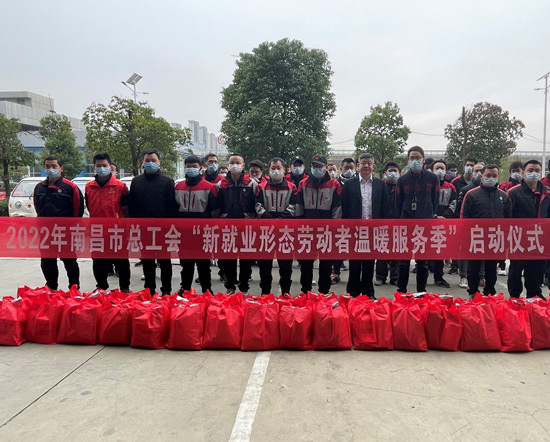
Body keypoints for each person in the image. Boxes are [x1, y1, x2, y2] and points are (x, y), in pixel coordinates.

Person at [128, 149, 178, 296]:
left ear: (159, 163)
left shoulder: (167, 182)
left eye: (153, 160)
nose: (150, 163)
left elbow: (171, 206)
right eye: (147, 161)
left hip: (163, 230)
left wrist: (170, 227)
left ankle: (166, 290)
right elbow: (132, 206)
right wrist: (134, 226)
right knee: (147, 261)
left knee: (165, 262)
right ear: (143, 163)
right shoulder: (136, 182)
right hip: (144, 229)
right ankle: (149, 290)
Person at [342, 153, 389, 298]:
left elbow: (385, 207)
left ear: (373, 166)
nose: (366, 166)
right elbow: (345, 207)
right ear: (358, 166)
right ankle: (353, 292)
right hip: (355, 230)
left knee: (369, 263)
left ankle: (368, 293)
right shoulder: (349, 184)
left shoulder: (381, 184)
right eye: (363, 163)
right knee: (354, 263)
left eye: (369, 163)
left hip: (373, 230)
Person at [461, 164, 511, 298]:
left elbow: (508, 219)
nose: (491, 178)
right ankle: (473, 292)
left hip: (495, 237)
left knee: (491, 268)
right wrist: (465, 237)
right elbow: (464, 217)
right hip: (476, 237)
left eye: (494, 176)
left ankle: (489, 292)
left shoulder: (504, 196)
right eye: (488, 175)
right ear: (481, 176)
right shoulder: (471, 194)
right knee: (473, 267)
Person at [33, 156, 84, 290]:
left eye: (54, 166)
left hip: (65, 233)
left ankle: (74, 288)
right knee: (47, 261)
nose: (51, 169)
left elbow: (78, 210)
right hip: (46, 233)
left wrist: (72, 229)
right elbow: (37, 208)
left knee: (70, 261)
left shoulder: (70, 187)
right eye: (47, 166)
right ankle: (51, 287)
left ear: (61, 168)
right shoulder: (39, 188)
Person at [394, 146, 440, 294]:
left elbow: (435, 201)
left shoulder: (433, 178)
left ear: (423, 159)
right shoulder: (402, 180)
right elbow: (398, 203)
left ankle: (421, 291)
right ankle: (401, 291)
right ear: (408, 160)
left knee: (423, 262)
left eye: (417, 157)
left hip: (425, 224)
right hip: (406, 224)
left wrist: (428, 215)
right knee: (403, 261)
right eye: (412, 158)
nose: (415, 160)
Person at [295, 154, 342, 294]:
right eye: (314, 166)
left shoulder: (334, 184)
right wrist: (299, 227)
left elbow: (337, 209)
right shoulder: (303, 184)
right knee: (306, 265)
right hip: (307, 231)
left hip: (327, 231)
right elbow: (299, 207)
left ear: (325, 167)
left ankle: (324, 292)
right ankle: (306, 292)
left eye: (320, 166)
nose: (317, 168)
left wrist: (334, 228)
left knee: (326, 265)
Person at [85, 153, 131, 292]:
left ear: (110, 166)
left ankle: (124, 288)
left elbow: (126, 209)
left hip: (117, 230)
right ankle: (101, 287)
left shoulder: (120, 186)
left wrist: (126, 228)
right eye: (98, 165)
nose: (101, 168)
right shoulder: (89, 187)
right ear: (94, 167)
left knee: (121, 261)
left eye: (104, 165)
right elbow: (89, 207)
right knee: (98, 261)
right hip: (97, 230)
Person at [175, 155, 219, 295]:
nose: (191, 169)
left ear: (200, 168)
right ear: (184, 168)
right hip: (184, 232)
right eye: (188, 166)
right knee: (186, 263)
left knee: (203, 263)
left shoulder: (209, 187)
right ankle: (185, 288)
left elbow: (215, 212)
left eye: (194, 166)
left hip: (203, 232)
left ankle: (207, 289)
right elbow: (174, 209)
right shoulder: (178, 187)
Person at [507, 160, 549, 299]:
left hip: (539, 240)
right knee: (516, 271)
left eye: (537, 171)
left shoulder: (547, 193)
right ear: (523, 172)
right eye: (530, 170)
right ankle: (514, 298)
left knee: (536, 271)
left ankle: (534, 297)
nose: (534, 173)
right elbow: (508, 216)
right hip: (519, 239)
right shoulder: (513, 192)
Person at [217, 154, 259, 294]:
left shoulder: (251, 184)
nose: (234, 165)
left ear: (243, 165)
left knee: (246, 259)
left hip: (247, 227)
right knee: (228, 258)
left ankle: (244, 288)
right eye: (232, 162)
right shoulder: (222, 184)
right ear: (228, 165)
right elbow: (217, 206)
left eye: (237, 162)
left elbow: (257, 205)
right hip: (227, 227)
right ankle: (230, 287)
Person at [255, 157, 297, 295]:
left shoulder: (291, 187)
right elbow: (258, 205)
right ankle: (265, 293)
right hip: (266, 230)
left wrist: (281, 219)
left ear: (284, 170)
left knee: (286, 266)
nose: (276, 171)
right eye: (273, 168)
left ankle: (285, 293)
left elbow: (294, 206)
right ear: (269, 170)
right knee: (264, 265)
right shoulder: (261, 187)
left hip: (285, 230)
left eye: (279, 168)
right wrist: (268, 218)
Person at [455, 161, 485, 288]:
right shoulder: (466, 190)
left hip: (484, 228)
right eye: (476, 171)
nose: (478, 173)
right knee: (465, 251)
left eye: (481, 171)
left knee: (482, 251)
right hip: (468, 226)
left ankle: (481, 276)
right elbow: (459, 210)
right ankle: (464, 276)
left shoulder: (492, 191)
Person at [330, 157, 357, 283]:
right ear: (341, 169)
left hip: (354, 219)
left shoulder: (358, 182)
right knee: (338, 247)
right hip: (339, 219)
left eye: (351, 168)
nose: (349, 170)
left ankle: (355, 275)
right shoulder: (335, 183)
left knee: (354, 248)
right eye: (346, 168)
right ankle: (335, 272)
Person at [431, 159, 456, 289]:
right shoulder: (427, 186)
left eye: (442, 168)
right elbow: (425, 204)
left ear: (446, 171)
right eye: (437, 168)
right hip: (429, 222)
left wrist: (444, 216)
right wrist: (434, 216)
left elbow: (453, 204)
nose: (439, 171)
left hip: (444, 223)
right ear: (432, 170)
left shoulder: (450, 187)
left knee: (440, 252)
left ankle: (439, 277)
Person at [375, 162, 400, 286]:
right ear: (385, 173)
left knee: (397, 250)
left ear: (399, 173)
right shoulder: (379, 186)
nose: (393, 173)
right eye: (391, 171)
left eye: (395, 171)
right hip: (382, 222)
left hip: (398, 223)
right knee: (382, 250)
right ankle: (380, 276)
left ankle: (395, 277)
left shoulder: (402, 186)